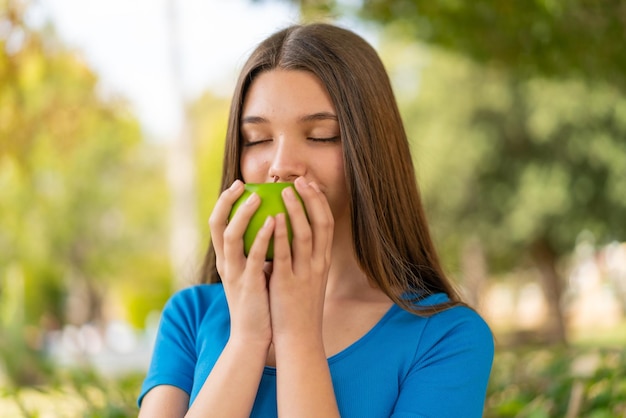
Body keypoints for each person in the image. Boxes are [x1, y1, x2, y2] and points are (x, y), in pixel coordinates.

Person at [138, 22, 494, 418]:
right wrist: (246, 340)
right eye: (257, 139)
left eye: (321, 135)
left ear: (371, 151)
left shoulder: (447, 338)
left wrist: (298, 339)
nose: (280, 166)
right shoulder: (190, 317)